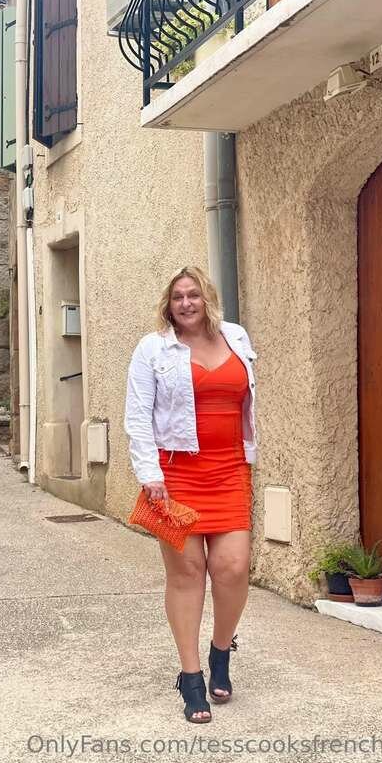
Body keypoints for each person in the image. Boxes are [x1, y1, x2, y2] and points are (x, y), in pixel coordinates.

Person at [124, 266, 258, 724]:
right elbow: (138, 414)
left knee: (233, 567)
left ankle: (221, 650)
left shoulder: (236, 338)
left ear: (207, 299)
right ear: (169, 303)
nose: (186, 303)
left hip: (230, 470)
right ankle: (191, 676)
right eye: (178, 296)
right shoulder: (153, 348)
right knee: (187, 572)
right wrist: (149, 473)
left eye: (194, 295)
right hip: (176, 474)